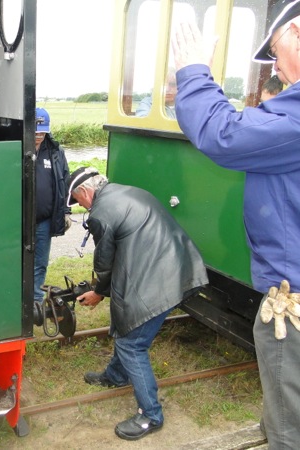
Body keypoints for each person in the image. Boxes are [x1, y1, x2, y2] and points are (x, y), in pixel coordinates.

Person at [172, 1, 300, 447]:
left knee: (289, 430)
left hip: (294, 308)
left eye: (276, 52)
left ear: (299, 34)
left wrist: (192, 71)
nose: (277, 72)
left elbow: (221, 134)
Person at [68, 167, 208, 441]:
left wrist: (98, 292)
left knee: (132, 344)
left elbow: (105, 263)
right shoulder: (127, 191)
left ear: (85, 191)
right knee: (126, 330)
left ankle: (151, 415)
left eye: (77, 200)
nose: (79, 207)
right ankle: (115, 375)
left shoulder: (101, 212)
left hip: (158, 279)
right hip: (177, 267)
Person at [33, 107, 70, 304]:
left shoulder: (55, 151)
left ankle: (35, 300)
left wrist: (66, 211)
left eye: (42, 131)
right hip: (21, 218)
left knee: (40, 262)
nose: (38, 135)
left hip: (45, 219)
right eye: (35, 130)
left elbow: (64, 180)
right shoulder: (18, 148)